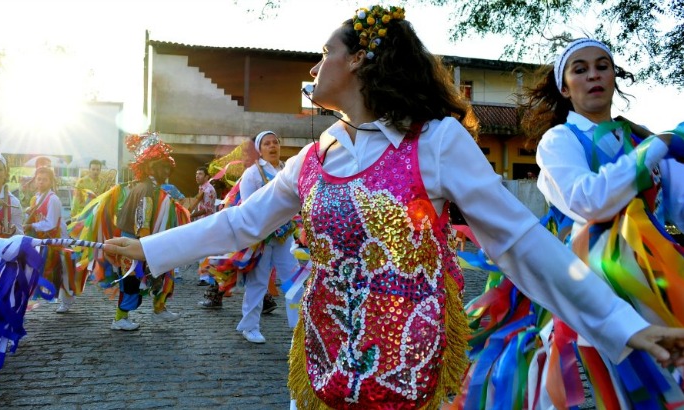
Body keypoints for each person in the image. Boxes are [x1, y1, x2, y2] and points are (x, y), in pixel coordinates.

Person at [104, 7, 684, 409]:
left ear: (357, 61)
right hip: (323, 356)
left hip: (412, 365)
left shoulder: (434, 141)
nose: (314, 67)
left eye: (323, 53)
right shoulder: (314, 154)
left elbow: (521, 241)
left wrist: (621, 326)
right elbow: (242, 221)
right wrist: (151, 248)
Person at [524, 38, 684, 407]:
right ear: (565, 88)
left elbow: (673, 206)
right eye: (580, 70)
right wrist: (658, 144)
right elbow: (589, 201)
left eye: (602, 66)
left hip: (657, 294)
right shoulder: (559, 140)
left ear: (614, 77)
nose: (593, 75)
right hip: (590, 306)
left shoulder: (639, 139)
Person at [107, 132, 189, 331]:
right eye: (163, 165)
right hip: (137, 243)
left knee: (162, 274)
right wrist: (148, 247)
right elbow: (141, 222)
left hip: (144, 242)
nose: (168, 169)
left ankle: (159, 310)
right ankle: (120, 319)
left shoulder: (150, 188)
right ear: (151, 167)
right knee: (131, 281)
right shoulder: (146, 190)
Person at [232, 131, 300, 344]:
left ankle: (299, 326)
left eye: (275, 143)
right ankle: (249, 326)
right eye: (267, 144)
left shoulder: (287, 170)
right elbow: (248, 205)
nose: (272, 147)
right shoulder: (252, 173)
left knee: (294, 281)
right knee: (258, 283)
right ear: (260, 150)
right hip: (262, 237)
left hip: (285, 235)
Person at [23, 166, 81, 314]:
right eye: (39, 179)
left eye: (45, 179)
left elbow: (51, 223)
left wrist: (31, 225)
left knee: (63, 271)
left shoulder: (53, 199)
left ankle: (66, 301)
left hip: (57, 240)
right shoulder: (35, 198)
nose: (41, 182)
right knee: (49, 271)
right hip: (44, 241)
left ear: (50, 181)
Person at [189, 166, 216, 286]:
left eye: (200, 174)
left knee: (204, 251)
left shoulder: (208, 190)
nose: (197, 176)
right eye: (196, 174)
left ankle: (205, 277)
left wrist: (190, 214)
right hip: (201, 222)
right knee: (204, 250)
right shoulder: (202, 188)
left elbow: (207, 209)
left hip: (207, 223)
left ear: (207, 177)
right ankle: (206, 275)